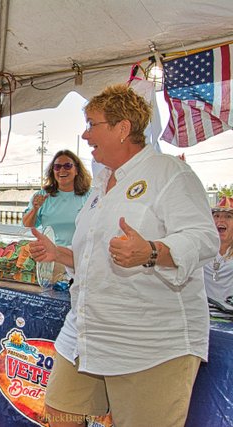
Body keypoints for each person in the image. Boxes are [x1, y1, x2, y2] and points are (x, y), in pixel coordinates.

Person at [28, 84, 218, 427]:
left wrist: (151, 251)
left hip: (149, 341)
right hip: (87, 331)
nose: (85, 135)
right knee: (58, 413)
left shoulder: (169, 173)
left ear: (122, 128)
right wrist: (59, 254)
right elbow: (94, 258)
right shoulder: (101, 184)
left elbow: (204, 239)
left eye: (92, 124)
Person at [22, 150, 91, 246]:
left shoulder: (91, 196)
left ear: (77, 170)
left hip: (81, 252)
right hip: (50, 252)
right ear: (53, 171)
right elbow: (26, 226)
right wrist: (35, 209)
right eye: (57, 167)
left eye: (67, 166)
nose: (62, 170)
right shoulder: (41, 196)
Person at [204, 196, 233, 304]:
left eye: (228, 216)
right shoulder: (202, 248)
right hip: (205, 310)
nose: (221, 220)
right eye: (216, 216)